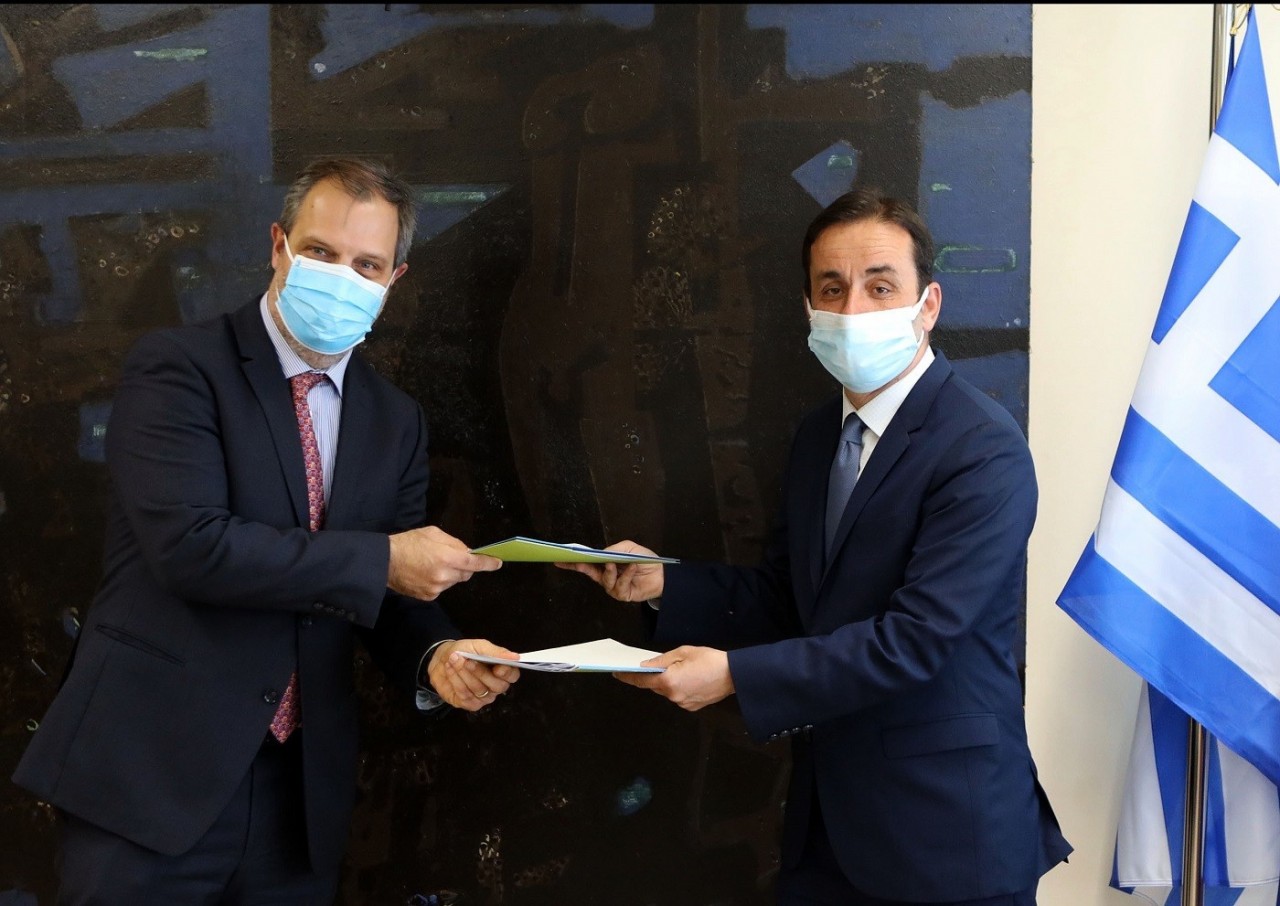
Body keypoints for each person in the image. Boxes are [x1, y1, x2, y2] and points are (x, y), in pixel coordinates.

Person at [12, 156, 519, 904]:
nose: (342, 277)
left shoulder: (395, 420)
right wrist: (384, 561)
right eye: (320, 251)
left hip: (299, 797)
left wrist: (438, 653)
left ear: (394, 280)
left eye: (367, 264)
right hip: (152, 778)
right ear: (278, 246)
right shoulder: (180, 369)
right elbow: (192, 549)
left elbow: (390, 587)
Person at [560, 187, 1072, 905]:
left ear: (928, 305)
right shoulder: (816, 438)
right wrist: (662, 583)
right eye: (832, 289)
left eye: (880, 286)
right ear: (808, 309)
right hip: (824, 831)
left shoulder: (982, 449)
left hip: (947, 839)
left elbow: (916, 640)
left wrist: (734, 676)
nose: (853, 310)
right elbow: (790, 597)